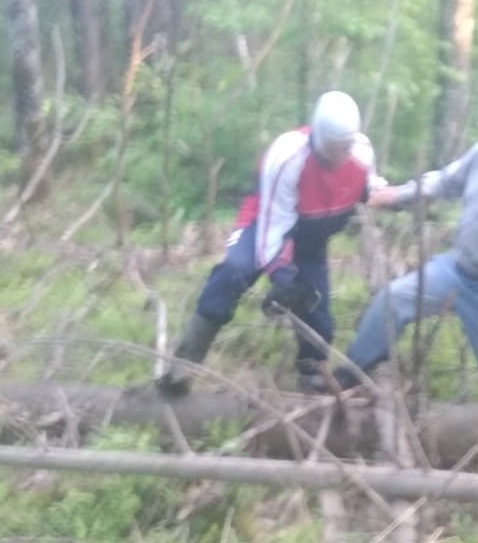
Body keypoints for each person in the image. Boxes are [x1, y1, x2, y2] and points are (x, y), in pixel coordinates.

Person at [302, 89, 478, 401]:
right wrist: (398, 194)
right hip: (456, 269)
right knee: (392, 300)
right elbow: (444, 182)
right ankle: (350, 374)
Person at [158, 91, 385, 396]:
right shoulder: (288, 156)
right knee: (233, 272)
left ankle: (312, 380)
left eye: (344, 147)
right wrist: (281, 275)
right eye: (332, 148)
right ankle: (183, 366)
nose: (338, 156)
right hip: (265, 222)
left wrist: (400, 196)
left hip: (311, 238)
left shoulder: (361, 153)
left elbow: (371, 188)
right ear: (318, 136)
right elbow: (273, 227)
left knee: (317, 313)